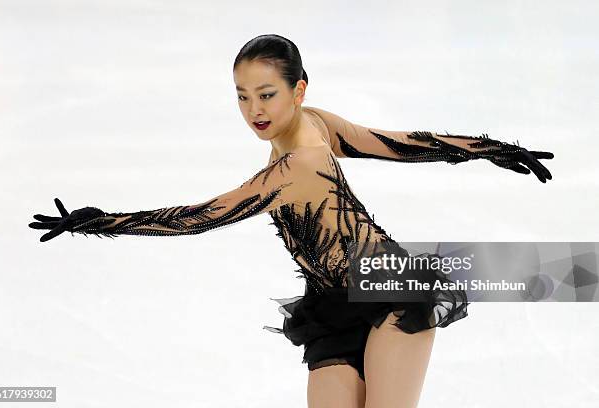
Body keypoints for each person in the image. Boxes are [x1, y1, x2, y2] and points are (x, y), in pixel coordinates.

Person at [28, 34, 554, 408]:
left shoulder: (301, 160)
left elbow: (199, 218)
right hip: (330, 306)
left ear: (299, 90)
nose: (253, 109)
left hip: (390, 292)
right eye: (242, 96)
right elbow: (406, 145)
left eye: (267, 94)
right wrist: (490, 149)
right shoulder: (317, 126)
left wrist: (102, 222)